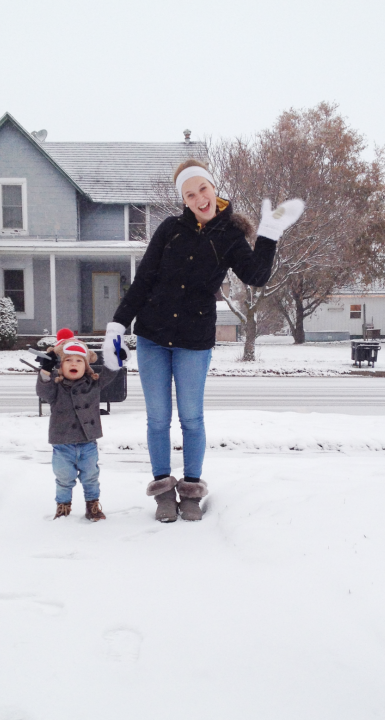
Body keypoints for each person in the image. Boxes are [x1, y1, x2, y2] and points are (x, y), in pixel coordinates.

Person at [103, 159, 303, 523]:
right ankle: (164, 493)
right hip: (152, 336)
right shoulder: (170, 230)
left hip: (194, 340)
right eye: (190, 194)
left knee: (191, 418)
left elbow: (256, 275)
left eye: (203, 189)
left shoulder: (230, 235)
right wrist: (118, 324)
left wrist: (269, 234)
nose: (199, 199)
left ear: (213, 188)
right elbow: (144, 279)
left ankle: (191, 491)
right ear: (184, 199)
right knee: (157, 419)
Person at [36, 331, 121, 521]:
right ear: (61, 365)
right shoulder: (56, 387)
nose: (73, 364)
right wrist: (45, 369)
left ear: (86, 366)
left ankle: (92, 505)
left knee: (91, 476)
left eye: (79, 361)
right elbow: (43, 390)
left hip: (87, 442)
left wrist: (116, 358)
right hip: (62, 443)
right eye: (68, 360)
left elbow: (109, 374)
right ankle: (63, 507)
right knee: (64, 478)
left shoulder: (93, 385)